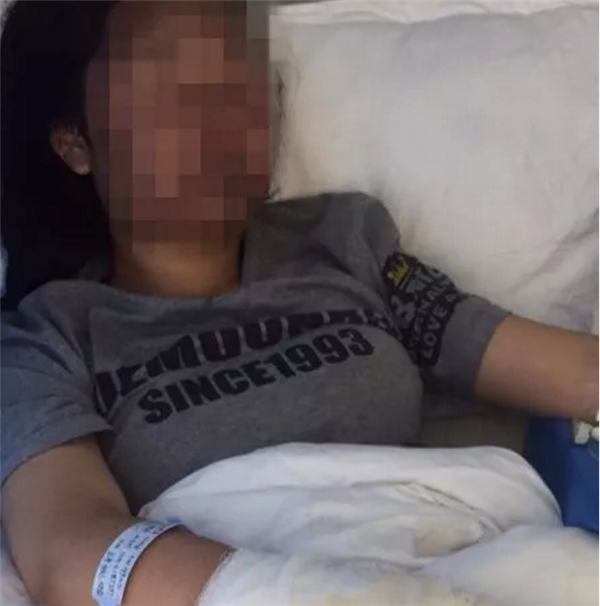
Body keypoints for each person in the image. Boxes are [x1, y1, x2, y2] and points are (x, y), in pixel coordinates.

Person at [0, 1, 596, 605]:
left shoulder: (345, 244)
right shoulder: (47, 342)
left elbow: (573, 373)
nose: (219, 111)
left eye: (238, 69)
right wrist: (315, 594)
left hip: (462, 552)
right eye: (166, 77)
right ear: (75, 143)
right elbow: (68, 550)